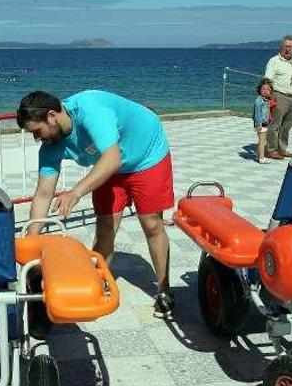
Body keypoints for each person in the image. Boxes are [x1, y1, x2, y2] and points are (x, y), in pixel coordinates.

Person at [16, 90, 175, 317]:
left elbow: (112, 158)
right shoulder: (52, 145)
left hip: (146, 154)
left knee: (151, 223)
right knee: (106, 227)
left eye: (37, 131)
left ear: (52, 116)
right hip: (111, 164)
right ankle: (96, 284)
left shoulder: (92, 111)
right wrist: (31, 243)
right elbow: (43, 193)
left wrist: (75, 193)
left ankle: (164, 289)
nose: (37, 138)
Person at [263, 34, 292, 159]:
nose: (288, 49)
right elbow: (267, 80)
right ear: (281, 47)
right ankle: (271, 150)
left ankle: (282, 149)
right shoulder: (274, 61)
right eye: (286, 46)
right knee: (275, 125)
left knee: (287, 125)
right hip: (279, 96)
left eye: (291, 47)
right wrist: (268, 97)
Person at [253, 78, 275, 164]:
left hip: (265, 123)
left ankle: (258, 154)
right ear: (259, 90)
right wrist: (258, 125)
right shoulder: (259, 101)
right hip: (261, 124)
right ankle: (261, 158)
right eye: (263, 89)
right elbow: (257, 114)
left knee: (262, 140)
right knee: (262, 141)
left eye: (268, 89)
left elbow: (267, 111)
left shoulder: (266, 100)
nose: (266, 91)